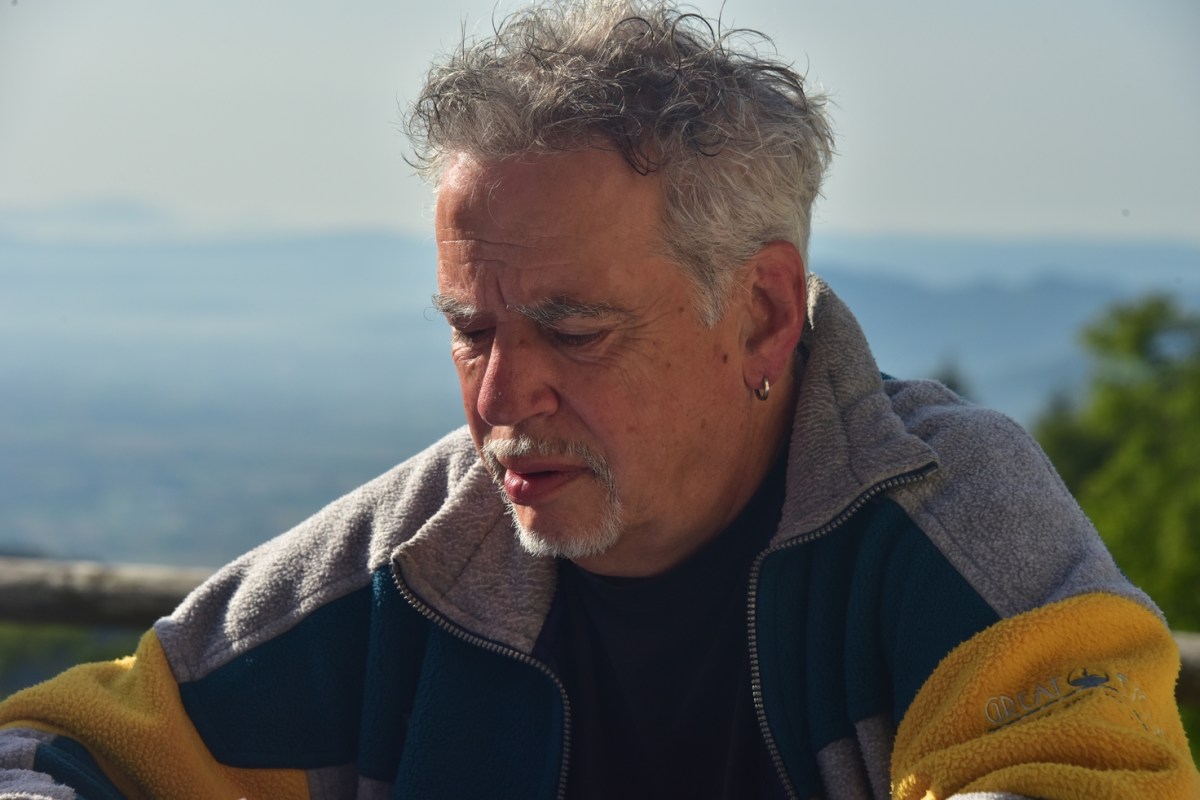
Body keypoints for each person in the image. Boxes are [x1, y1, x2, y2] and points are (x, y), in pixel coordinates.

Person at [1, 1, 1197, 797]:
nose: (500, 395)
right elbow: (59, 750)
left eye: (574, 330)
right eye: (470, 330)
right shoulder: (414, 560)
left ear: (762, 312)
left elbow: (1082, 774)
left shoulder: (951, 523)